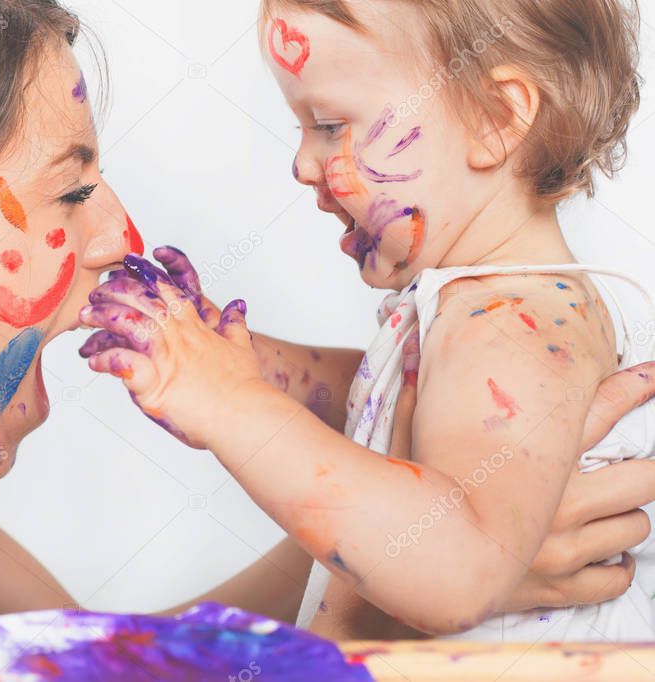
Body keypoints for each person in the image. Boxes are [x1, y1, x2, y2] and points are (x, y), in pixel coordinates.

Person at [0, 0, 651, 640]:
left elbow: (90, 657)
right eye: (72, 192)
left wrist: (414, 525)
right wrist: (403, 562)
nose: (122, 234)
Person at [79, 0, 655, 640]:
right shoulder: (479, 310)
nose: (301, 164)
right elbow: (378, 393)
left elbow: (458, 572)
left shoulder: (509, 327)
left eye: (328, 124)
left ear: (494, 120)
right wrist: (245, 361)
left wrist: (228, 402)